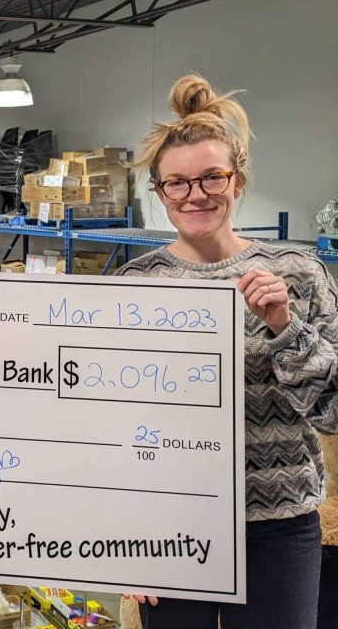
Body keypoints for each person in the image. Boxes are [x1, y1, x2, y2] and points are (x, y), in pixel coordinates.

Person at [116, 74, 338, 627]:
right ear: (160, 191)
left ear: (237, 181)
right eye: (178, 183)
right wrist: (119, 533)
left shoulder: (299, 274)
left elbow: (334, 412)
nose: (196, 194)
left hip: (279, 526)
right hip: (169, 522)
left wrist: (287, 329)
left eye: (212, 177)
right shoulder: (132, 285)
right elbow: (111, 426)